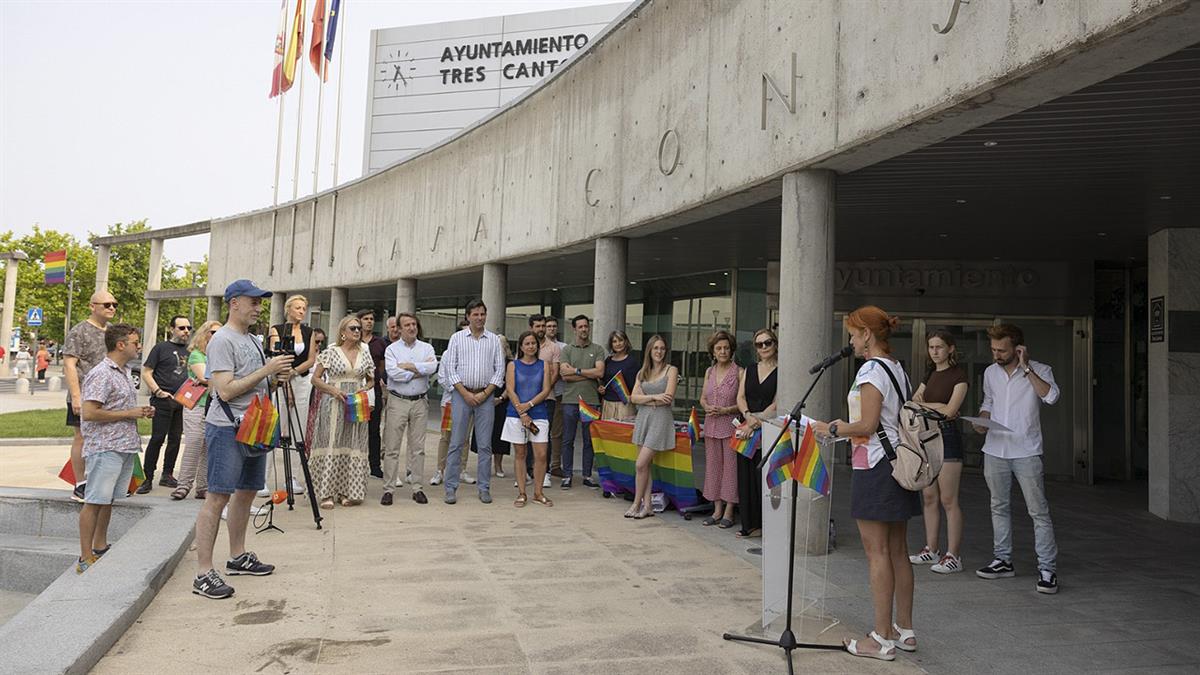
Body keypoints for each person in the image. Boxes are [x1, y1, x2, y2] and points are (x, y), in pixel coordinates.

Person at [810, 306, 920, 660]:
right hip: (896, 464)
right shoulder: (897, 368)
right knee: (898, 550)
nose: (852, 341)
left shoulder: (871, 370)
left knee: (878, 553)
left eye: (854, 335)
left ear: (867, 335)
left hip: (875, 467)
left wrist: (831, 428)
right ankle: (904, 630)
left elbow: (867, 425)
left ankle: (881, 639)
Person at [193, 280, 290, 599]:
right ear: (234, 303)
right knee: (217, 497)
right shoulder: (222, 340)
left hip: (255, 425)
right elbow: (224, 390)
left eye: (260, 302)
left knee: (247, 492)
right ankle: (203, 573)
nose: (259, 308)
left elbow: (256, 384)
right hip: (227, 427)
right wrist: (267, 370)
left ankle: (237, 556)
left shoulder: (252, 339)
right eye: (254, 301)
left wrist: (275, 378)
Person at [972, 323, 1061, 594]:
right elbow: (988, 402)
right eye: (993, 350)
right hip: (995, 449)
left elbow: (1051, 397)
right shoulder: (990, 373)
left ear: (1018, 349)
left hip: (1026, 450)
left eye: (1002, 350)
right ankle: (1003, 560)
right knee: (998, 506)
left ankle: (1047, 569)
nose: (996, 354)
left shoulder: (1040, 370)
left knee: (1038, 511)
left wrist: (1027, 368)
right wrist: (982, 420)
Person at [76, 324, 154, 574]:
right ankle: (85, 557)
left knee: (106, 499)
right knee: (94, 501)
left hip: (123, 446)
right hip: (105, 447)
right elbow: (89, 412)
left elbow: (117, 407)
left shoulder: (124, 372)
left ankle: (100, 546)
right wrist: (129, 413)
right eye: (135, 342)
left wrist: (139, 412)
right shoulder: (102, 373)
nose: (138, 346)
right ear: (121, 345)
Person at [908, 329, 969, 574]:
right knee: (929, 497)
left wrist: (928, 406)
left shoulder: (959, 375)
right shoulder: (930, 373)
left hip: (948, 437)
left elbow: (951, 411)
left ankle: (953, 555)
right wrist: (937, 406)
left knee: (948, 499)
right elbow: (913, 403)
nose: (934, 351)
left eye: (939, 347)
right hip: (927, 437)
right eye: (931, 347)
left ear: (950, 348)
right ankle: (931, 549)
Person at [440, 299, 505, 504]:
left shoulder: (494, 340)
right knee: (456, 443)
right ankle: (450, 487)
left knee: (485, 445)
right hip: (461, 395)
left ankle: (484, 487)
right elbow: (451, 369)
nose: (479, 318)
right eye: (475, 314)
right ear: (468, 316)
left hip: (486, 397)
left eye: (482, 314)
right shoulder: (457, 338)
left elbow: (499, 370)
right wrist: (465, 393)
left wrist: (485, 394)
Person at [309, 316, 375, 508]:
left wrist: (364, 389)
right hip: (334, 403)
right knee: (332, 442)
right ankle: (327, 493)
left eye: (359, 328)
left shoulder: (365, 353)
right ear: (343, 332)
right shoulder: (331, 352)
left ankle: (348, 491)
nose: (357, 331)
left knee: (352, 443)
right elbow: (315, 379)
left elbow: (371, 379)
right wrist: (333, 390)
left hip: (356, 402)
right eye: (353, 328)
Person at [64, 291, 119, 502]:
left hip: (108, 396)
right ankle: (80, 484)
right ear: (92, 306)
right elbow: (70, 364)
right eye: (106, 304)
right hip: (85, 394)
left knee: (106, 438)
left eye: (114, 304)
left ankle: (102, 481)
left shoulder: (113, 332)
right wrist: (76, 396)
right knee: (81, 437)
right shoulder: (79, 331)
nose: (111, 308)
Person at [382, 312, 437, 506]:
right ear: (399, 328)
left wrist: (409, 366)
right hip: (398, 401)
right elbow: (393, 373)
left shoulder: (427, 347)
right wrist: (418, 371)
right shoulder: (392, 350)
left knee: (418, 448)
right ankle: (388, 489)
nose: (412, 328)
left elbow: (432, 367)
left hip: (420, 401)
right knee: (392, 447)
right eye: (407, 325)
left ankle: (417, 488)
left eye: (414, 324)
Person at [267, 296, 316, 495]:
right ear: (288, 309)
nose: (301, 311)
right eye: (298, 308)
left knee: (299, 429)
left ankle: (293, 478)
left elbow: (311, 359)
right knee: (275, 427)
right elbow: (277, 356)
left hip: (301, 380)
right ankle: (263, 478)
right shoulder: (277, 330)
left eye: (304, 308)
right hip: (281, 380)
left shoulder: (309, 331)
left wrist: (294, 372)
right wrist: (285, 381)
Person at [139, 315, 192, 492]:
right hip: (162, 401)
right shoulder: (160, 348)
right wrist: (158, 391)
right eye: (181, 328)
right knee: (157, 438)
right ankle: (147, 478)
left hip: (182, 401)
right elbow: (146, 372)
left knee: (175, 439)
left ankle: (167, 474)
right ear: (172, 329)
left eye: (188, 328)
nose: (186, 331)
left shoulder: (190, 350)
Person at [734, 328, 778, 539]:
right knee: (745, 477)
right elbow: (740, 397)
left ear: (775, 344)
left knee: (763, 477)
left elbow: (777, 404)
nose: (764, 347)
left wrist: (754, 423)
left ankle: (766, 526)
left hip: (767, 429)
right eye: (759, 344)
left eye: (767, 342)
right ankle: (749, 525)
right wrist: (747, 416)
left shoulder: (782, 371)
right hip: (747, 426)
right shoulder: (750, 369)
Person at [628, 335, 678, 519]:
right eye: (656, 348)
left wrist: (645, 399)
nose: (659, 351)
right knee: (645, 466)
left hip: (660, 420)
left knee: (640, 464)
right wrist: (655, 397)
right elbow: (633, 398)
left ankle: (636, 503)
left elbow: (668, 398)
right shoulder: (642, 373)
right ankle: (647, 505)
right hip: (643, 419)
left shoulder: (671, 370)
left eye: (662, 348)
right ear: (649, 350)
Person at [503, 331, 554, 507]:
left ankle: (538, 493)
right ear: (521, 346)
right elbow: (510, 390)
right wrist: (522, 413)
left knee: (541, 455)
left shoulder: (544, 365)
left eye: (533, 343)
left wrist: (530, 405)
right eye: (527, 343)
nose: (531, 346)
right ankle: (522, 493)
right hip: (516, 415)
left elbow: (546, 390)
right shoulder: (513, 365)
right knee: (520, 454)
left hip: (539, 414)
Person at [172, 320, 221, 500]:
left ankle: (203, 487)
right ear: (204, 334)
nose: (216, 336)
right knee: (194, 444)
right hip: (196, 406)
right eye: (213, 332)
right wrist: (224, 379)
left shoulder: (219, 355)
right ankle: (183, 485)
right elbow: (204, 377)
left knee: (208, 447)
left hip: (214, 406)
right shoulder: (196, 355)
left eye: (219, 333)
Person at [557, 315, 605, 489]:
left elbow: (600, 373)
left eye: (586, 326)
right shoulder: (567, 350)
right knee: (567, 440)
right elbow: (564, 375)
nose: (584, 329)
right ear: (574, 329)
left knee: (589, 441)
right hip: (570, 400)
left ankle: (587, 475)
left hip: (591, 401)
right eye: (581, 327)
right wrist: (588, 374)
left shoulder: (598, 349)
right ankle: (567, 475)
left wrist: (576, 371)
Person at [700, 330, 740, 529]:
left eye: (726, 348)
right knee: (713, 467)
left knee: (730, 469)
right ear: (713, 352)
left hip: (730, 426)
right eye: (719, 348)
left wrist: (726, 410)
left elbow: (743, 403)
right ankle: (716, 510)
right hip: (711, 426)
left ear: (731, 350)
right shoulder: (709, 371)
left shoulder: (739, 372)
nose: (723, 351)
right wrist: (706, 407)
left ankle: (729, 511)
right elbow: (702, 398)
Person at [431, 318, 473, 487]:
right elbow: (442, 377)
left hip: (469, 401)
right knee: (446, 437)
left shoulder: (475, 353)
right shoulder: (448, 353)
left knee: (465, 437)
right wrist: (459, 390)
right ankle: (440, 470)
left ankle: (461, 470)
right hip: (450, 401)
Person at [358, 309, 388, 479]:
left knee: (374, 429)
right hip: (356, 388)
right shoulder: (353, 339)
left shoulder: (380, 342)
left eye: (371, 319)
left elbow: (382, 367)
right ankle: (357, 463)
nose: (369, 321)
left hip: (373, 389)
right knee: (356, 427)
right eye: (366, 319)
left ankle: (374, 465)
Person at [481, 336, 513, 478]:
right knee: (485, 434)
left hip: (503, 401)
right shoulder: (485, 361)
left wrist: (500, 399)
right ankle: (484, 465)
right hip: (485, 399)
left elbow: (511, 384)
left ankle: (498, 465)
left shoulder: (510, 364)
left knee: (500, 435)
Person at [544, 316, 568, 477]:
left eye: (554, 326)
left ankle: (555, 465)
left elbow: (563, 371)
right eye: (549, 326)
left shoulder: (563, 347)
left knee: (557, 432)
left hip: (559, 394)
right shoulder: (537, 345)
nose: (551, 329)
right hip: (540, 395)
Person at [599, 330, 638, 421]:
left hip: (625, 405)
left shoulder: (632, 362)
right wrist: (601, 388)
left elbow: (637, 384)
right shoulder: (608, 360)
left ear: (626, 341)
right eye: (614, 341)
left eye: (620, 340)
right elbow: (603, 381)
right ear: (611, 344)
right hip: (608, 403)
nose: (618, 344)